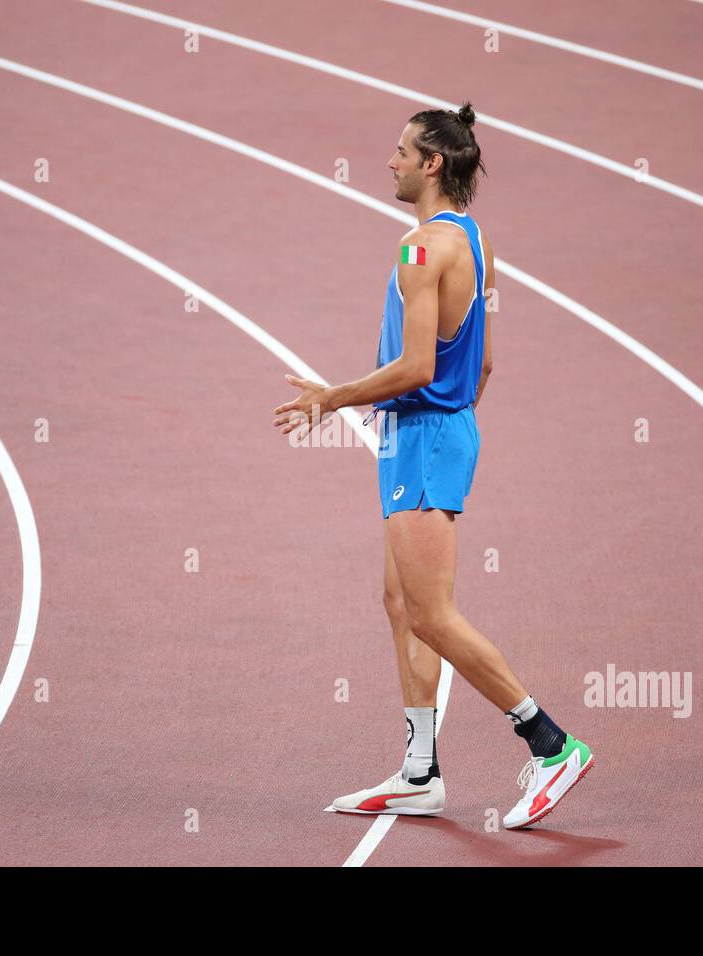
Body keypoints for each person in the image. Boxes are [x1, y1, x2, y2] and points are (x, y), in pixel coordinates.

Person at [272, 103, 593, 830]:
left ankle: (551, 745)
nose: (389, 161)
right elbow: (481, 360)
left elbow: (418, 364)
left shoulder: (419, 250)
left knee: (432, 614)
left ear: (432, 164)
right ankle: (420, 770)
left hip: (421, 436)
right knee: (399, 602)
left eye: (400, 151)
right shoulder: (472, 240)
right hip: (433, 433)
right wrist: (452, 419)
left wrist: (334, 398)